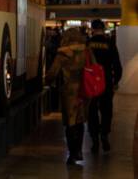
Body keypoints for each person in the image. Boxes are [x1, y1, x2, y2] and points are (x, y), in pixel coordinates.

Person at [46, 25, 89, 166]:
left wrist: (47, 81)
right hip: (84, 89)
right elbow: (93, 66)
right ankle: (79, 151)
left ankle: (72, 154)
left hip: (68, 91)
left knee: (70, 122)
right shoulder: (86, 51)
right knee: (80, 121)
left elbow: (52, 73)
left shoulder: (62, 54)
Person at [86, 19, 123, 153]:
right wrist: (115, 81)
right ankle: (104, 135)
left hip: (91, 83)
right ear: (103, 28)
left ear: (92, 29)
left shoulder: (88, 43)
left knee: (92, 110)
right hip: (106, 81)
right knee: (106, 109)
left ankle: (94, 139)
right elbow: (117, 64)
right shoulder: (110, 43)